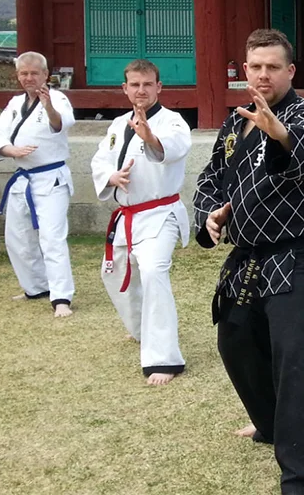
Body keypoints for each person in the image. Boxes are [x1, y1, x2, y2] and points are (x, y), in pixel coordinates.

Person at [194, 29, 304, 495]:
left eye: (272, 67)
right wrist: (211, 214)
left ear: (289, 71)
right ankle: (271, 425)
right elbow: (211, 177)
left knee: (297, 362)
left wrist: (282, 136)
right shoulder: (236, 124)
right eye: (255, 67)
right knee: (235, 341)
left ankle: (301, 480)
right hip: (249, 256)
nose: (262, 75)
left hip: (300, 253)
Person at [90, 59, 193, 385]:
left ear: (159, 87)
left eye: (148, 84)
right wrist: (110, 176)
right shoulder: (117, 124)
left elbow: (175, 149)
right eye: (134, 84)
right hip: (127, 217)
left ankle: (164, 359)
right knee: (114, 273)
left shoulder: (173, 122)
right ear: (125, 88)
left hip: (161, 214)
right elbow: (100, 159)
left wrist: (150, 138)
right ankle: (140, 329)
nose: (141, 90)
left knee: (152, 271)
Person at [0, 51, 77, 317]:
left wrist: (48, 106)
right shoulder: (15, 103)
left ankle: (61, 297)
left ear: (45, 75)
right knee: (17, 238)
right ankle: (36, 287)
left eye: (34, 73)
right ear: (18, 76)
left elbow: (61, 123)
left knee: (52, 238)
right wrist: (9, 149)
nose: (29, 78)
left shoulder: (58, 98)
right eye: (23, 73)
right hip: (22, 177)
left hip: (51, 179)